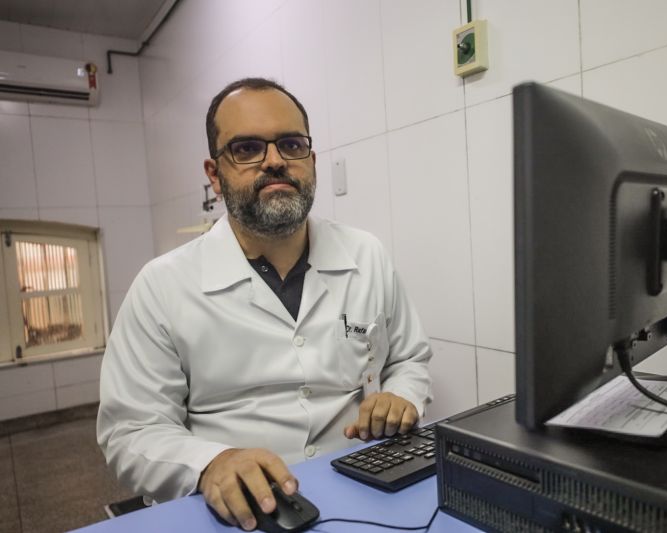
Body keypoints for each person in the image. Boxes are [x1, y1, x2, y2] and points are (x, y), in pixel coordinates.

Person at [97, 78, 433, 531]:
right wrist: (211, 463)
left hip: (361, 491)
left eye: (291, 144)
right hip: (230, 513)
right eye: (247, 149)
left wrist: (400, 395)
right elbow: (130, 433)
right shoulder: (162, 286)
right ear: (214, 174)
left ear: (311, 161)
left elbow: (409, 358)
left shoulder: (366, 254)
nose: (275, 161)